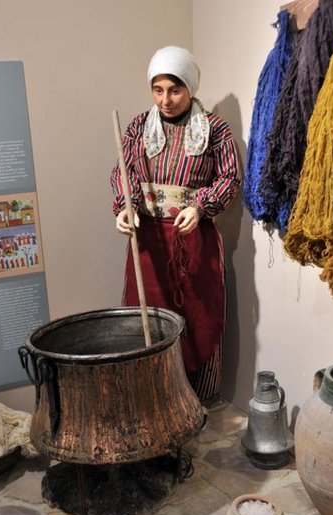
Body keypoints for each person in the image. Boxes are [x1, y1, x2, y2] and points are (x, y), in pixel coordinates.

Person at [111, 45, 240, 404]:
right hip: (149, 241)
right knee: (147, 318)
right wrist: (125, 207)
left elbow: (230, 177)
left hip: (193, 239)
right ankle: (152, 400)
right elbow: (124, 172)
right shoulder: (139, 127)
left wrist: (199, 208)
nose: (165, 100)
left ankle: (196, 401)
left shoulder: (214, 129)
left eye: (174, 90)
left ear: (190, 87)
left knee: (199, 317)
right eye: (158, 90)